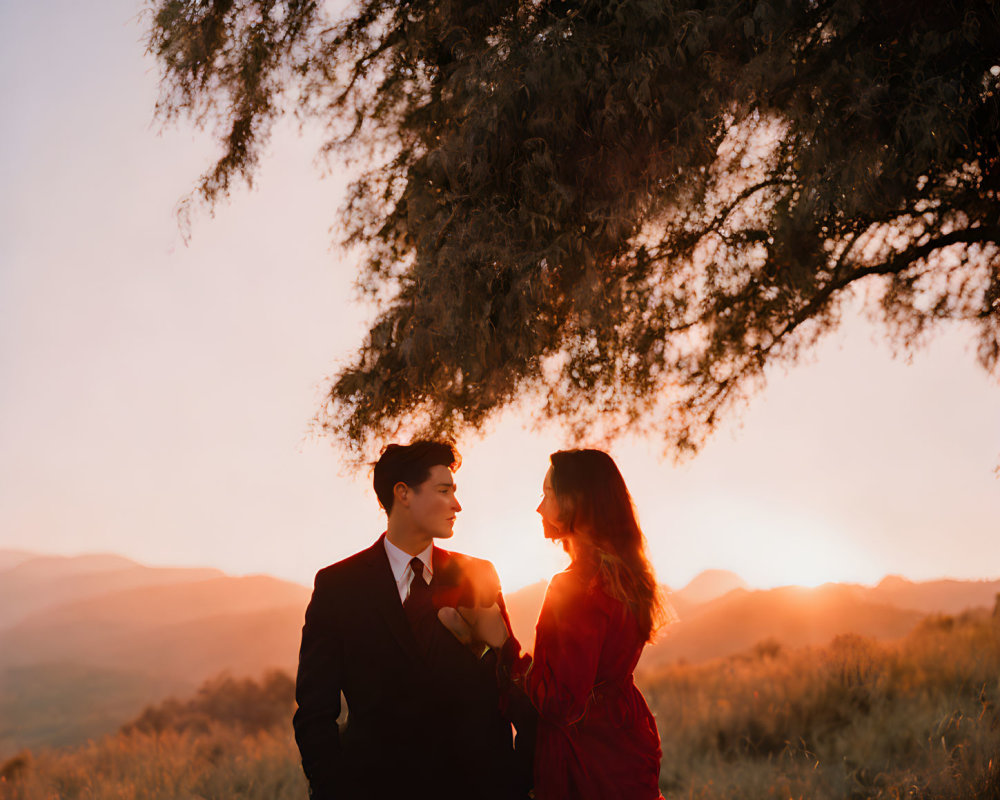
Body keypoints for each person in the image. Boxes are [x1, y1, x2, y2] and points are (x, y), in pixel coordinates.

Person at [292, 440, 534, 800]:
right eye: (443, 490)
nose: (457, 504)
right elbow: (315, 711)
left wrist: (518, 777)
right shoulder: (339, 586)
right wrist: (333, 789)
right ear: (403, 494)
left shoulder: (478, 574)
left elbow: (510, 681)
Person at [439, 449, 670, 799]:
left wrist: (503, 645)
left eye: (547, 494)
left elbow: (561, 703)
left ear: (575, 501)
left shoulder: (576, 585)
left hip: (586, 757)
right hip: (626, 739)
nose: (539, 507)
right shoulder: (628, 577)